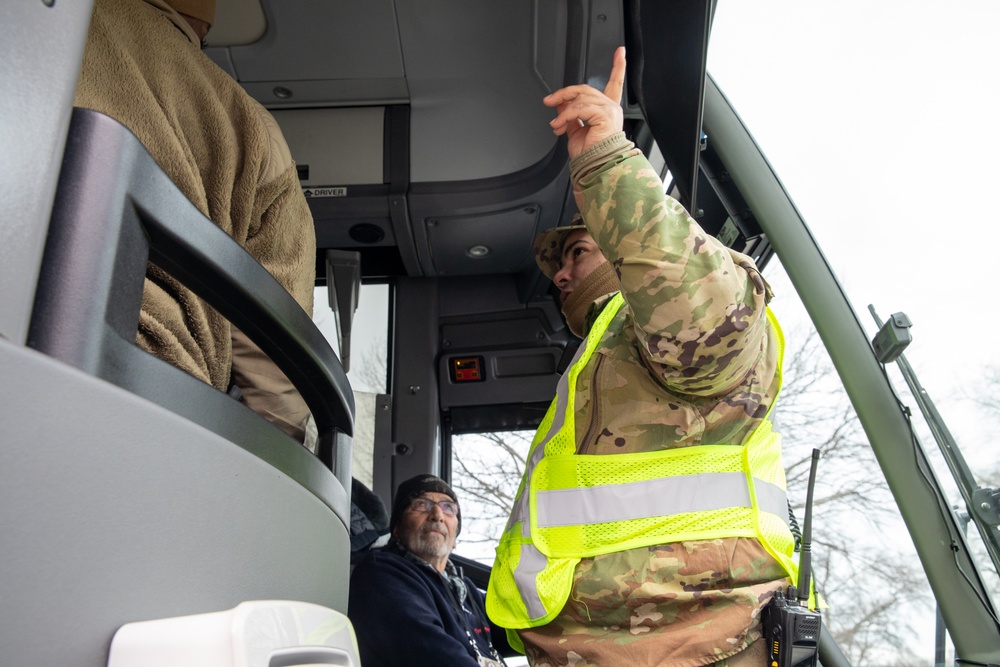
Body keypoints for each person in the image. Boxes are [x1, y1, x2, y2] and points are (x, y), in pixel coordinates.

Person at [486, 47, 800, 666]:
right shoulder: (606, 345)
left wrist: (606, 166)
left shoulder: (678, 318)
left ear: (615, 240)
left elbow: (695, 296)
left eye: (576, 251)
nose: (561, 274)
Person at [73, 0, 315, 442]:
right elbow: (279, 380)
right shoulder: (251, 127)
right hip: (154, 389)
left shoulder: (34, 23)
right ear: (202, 23)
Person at [349, 475, 507, 667]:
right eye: (421, 504)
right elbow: (438, 658)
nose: (437, 514)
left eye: (448, 507)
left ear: (455, 539)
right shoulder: (381, 575)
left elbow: (517, 628)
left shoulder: (465, 590)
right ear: (397, 529)